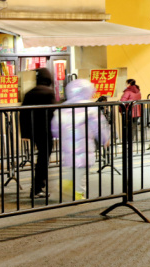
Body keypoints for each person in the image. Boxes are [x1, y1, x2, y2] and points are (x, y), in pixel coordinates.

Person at [51, 79, 110, 200]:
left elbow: (55, 126)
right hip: (84, 145)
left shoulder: (64, 107)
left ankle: (67, 185)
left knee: (73, 168)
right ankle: (78, 193)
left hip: (68, 145)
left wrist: (57, 134)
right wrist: (105, 139)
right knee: (82, 170)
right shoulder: (90, 107)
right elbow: (99, 125)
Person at [20, 68, 56, 198]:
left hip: (34, 131)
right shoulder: (49, 92)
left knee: (41, 158)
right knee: (43, 159)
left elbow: (23, 114)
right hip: (46, 131)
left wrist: (25, 133)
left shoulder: (29, 93)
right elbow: (54, 114)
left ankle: (37, 187)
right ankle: (37, 187)